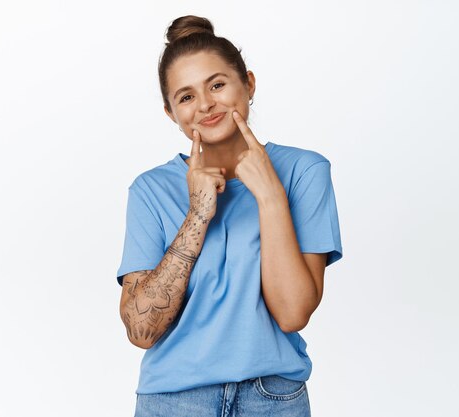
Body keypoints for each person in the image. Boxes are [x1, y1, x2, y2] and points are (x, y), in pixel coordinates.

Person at [116, 15, 343, 417]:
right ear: (171, 113)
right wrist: (198, 213)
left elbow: (293, 314)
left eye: (217, 85)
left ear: (248, 84)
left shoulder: (304, 172)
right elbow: (141, 330)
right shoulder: (150, 190)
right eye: (185, 97)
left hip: (273, 398)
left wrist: (271, 194)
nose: (205, 105)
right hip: (172, 400)